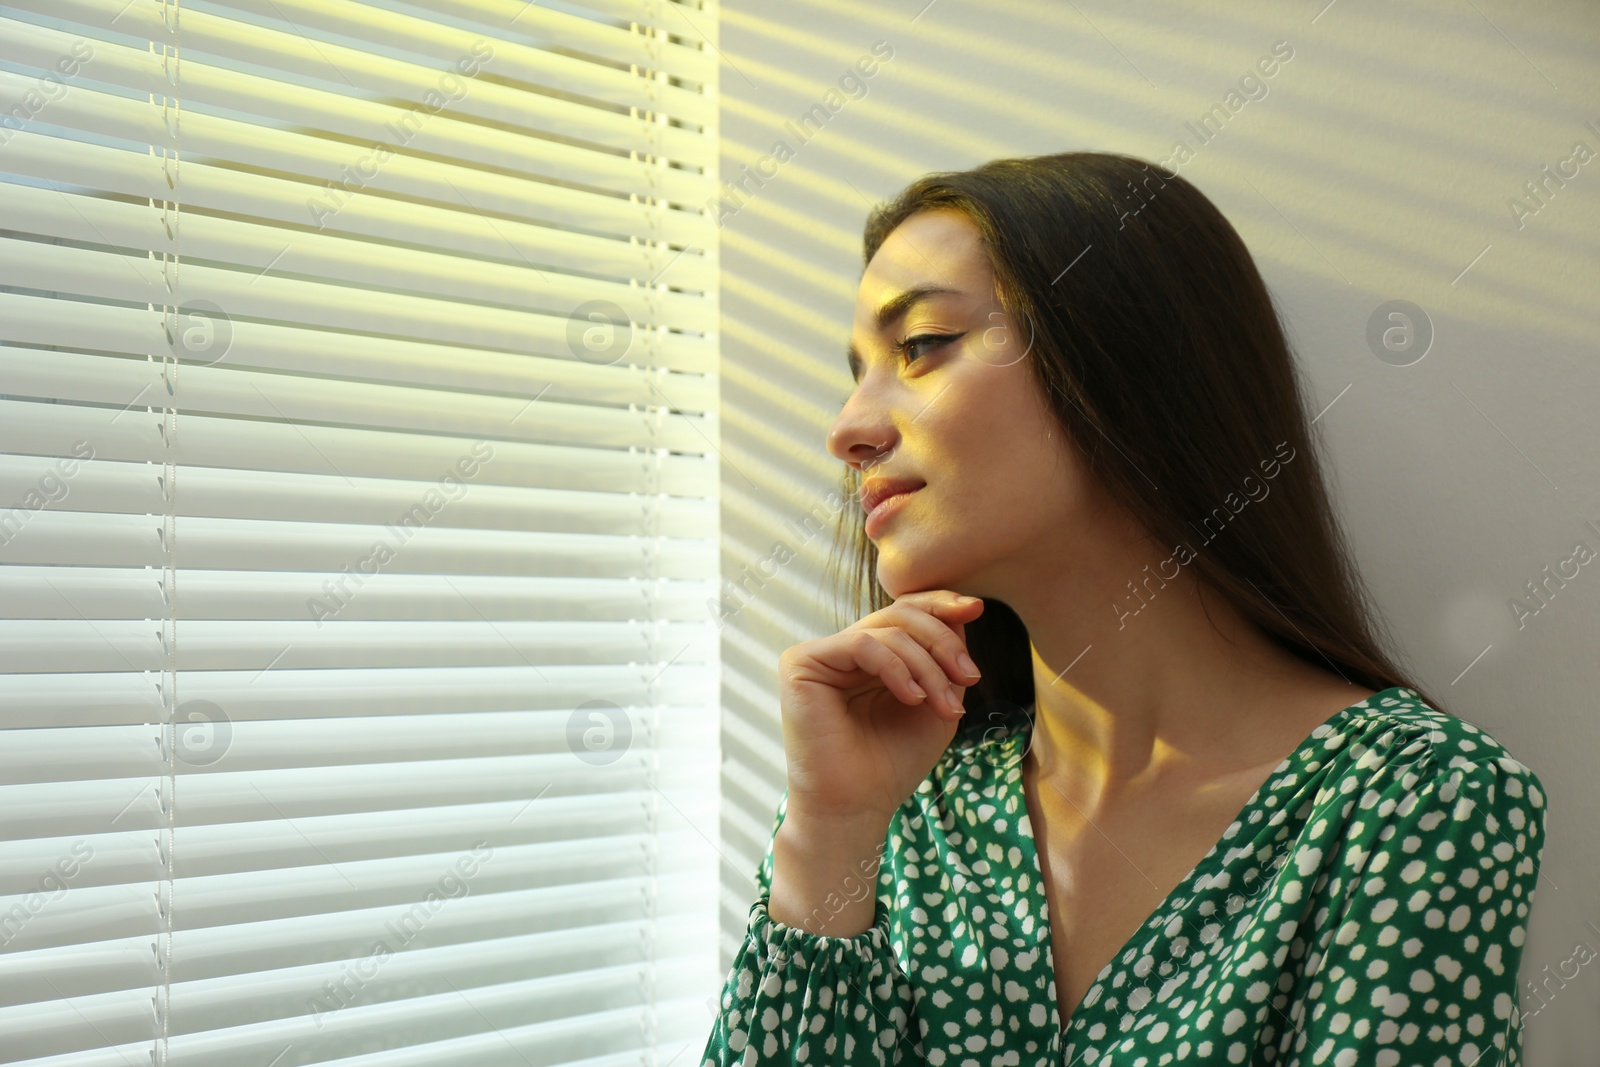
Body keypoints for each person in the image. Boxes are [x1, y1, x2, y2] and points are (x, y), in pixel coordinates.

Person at [698, 151, 1548, 1066]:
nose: (847, 429)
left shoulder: (1411, 800)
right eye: (857, 370)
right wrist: (829, 833)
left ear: (1126, 354)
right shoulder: (910, 808)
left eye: (921, 346)